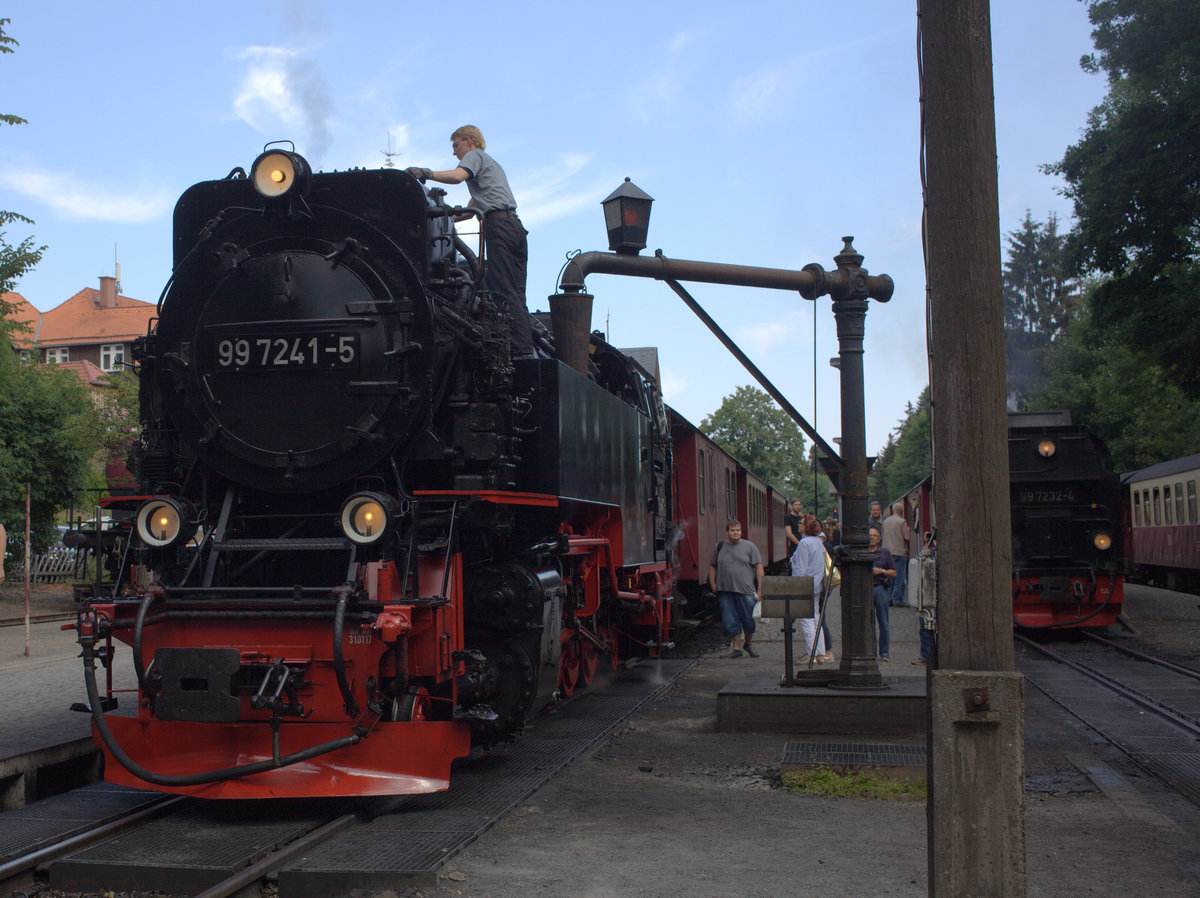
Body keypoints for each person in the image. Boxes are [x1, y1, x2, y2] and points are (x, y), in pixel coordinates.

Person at [405, 126, 533, 357]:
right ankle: (524, 347)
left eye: (456, 145)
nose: (455, 152)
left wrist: (425, 173)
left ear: (469, 141)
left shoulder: (474, 157)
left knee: (501, 287)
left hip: (498, 227)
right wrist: (441, 214)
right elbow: (469, 210)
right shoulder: (492, 167)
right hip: (515, 227)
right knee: (516, 292)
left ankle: (519, 351)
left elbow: (457, 176)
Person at [707, 520, 764, 658]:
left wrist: (761, 589)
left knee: (748, 620)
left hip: (746, 591)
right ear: (727, 532)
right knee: (730, 620)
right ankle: (736, 648)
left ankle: (748, 644)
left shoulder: (750, 547)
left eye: (738, 530)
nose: (736, 533)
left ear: (741, 532)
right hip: (725, 591)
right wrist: (713, 584)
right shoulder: (719, 547)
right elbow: (712, 565)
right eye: (733, 530)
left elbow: (759, 567)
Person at [790, 517, 827, 663]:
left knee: (806, 620)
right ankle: (820, 652)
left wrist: (795, 586)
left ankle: (810, 653)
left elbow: (801, 568)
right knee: (816, 618)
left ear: (806, 527)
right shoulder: (818, 542)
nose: (798, 525)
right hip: (816, 584)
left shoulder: (804, 543)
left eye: (801, 523)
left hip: (805, 585)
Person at [868, 527, 897, 661]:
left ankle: (884, 652)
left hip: (881, 588)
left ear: (879, 539)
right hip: (866, 588)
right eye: (870, 535)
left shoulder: (885, 553)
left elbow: (894, 572)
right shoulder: (863, 552)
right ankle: (871, 652)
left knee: (883, 622)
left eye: (875, 535)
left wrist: (881, 571)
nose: (872, 537)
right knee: (869, 623)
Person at [881, 501, 909, 606]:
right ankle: (898, 599)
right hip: (899, 551)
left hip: (887, 552)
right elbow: (906, 537)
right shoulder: (902, 522)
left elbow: (882, 536)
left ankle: (888, 599)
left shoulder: (885, 522)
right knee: (899, 577)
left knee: (889, 576)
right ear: (901, 511)